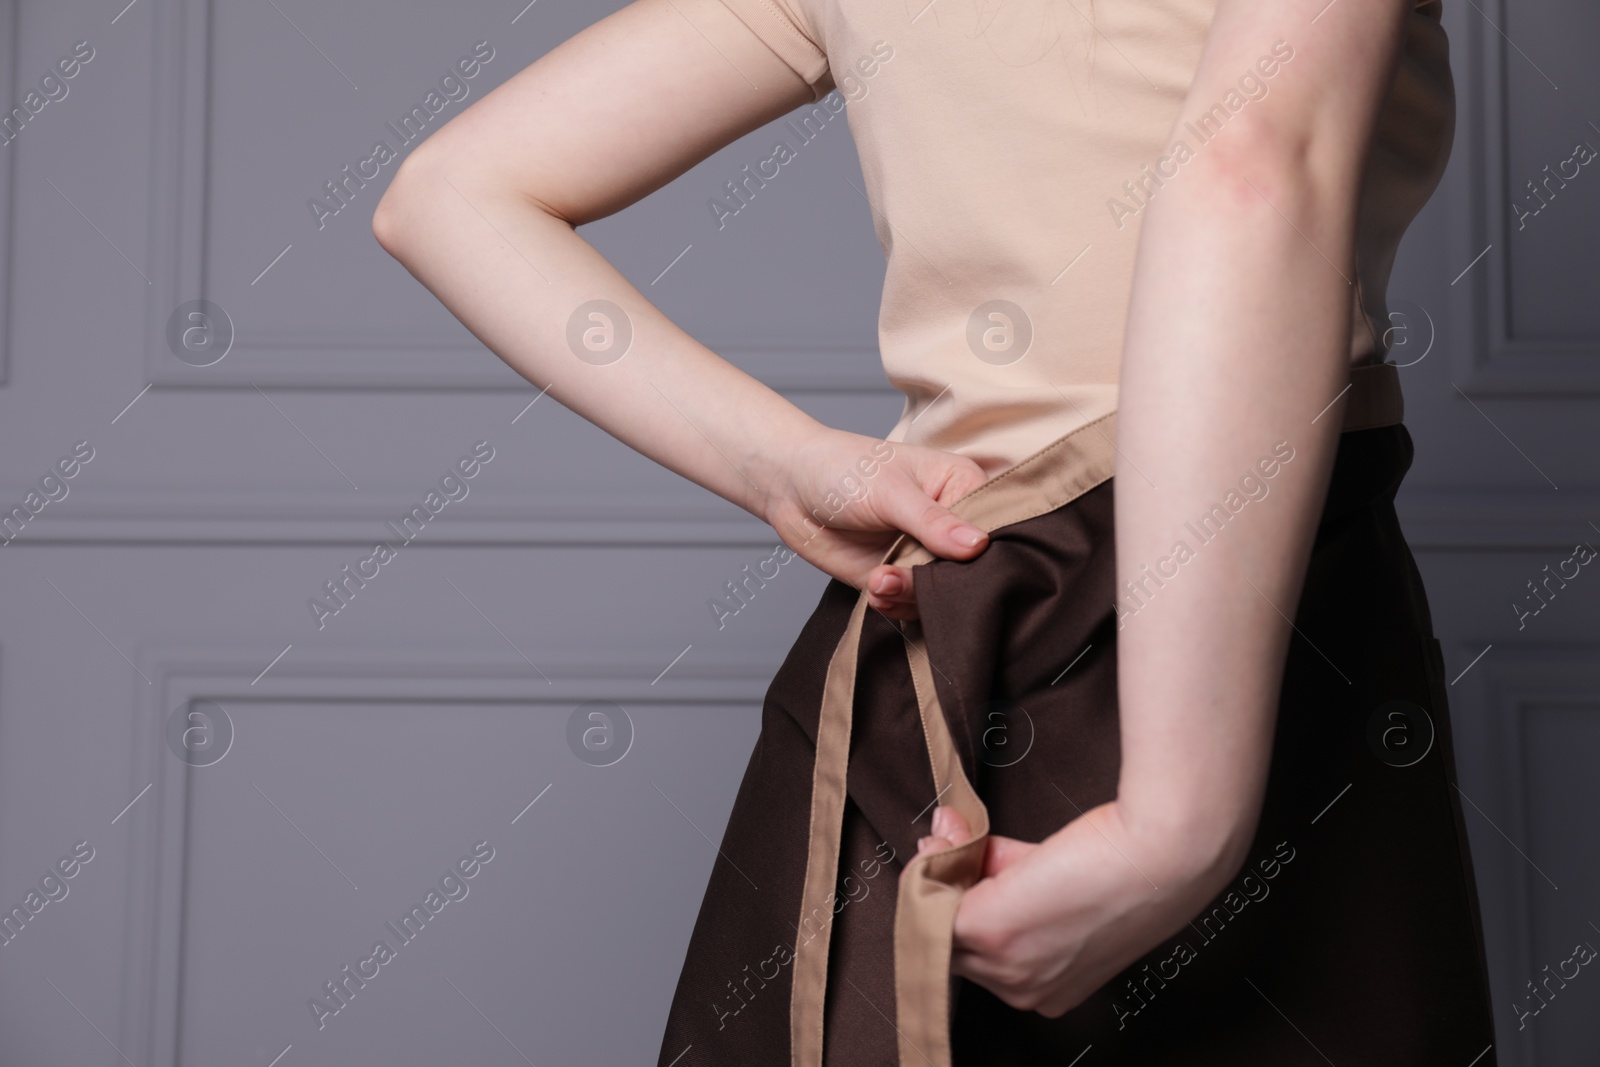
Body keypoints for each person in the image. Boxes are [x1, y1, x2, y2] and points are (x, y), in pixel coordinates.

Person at [372, 0, 1499, 1062]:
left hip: (936, 648)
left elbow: (446, 193)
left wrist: (784, 467)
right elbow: (1253, 166)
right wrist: (1178, 817)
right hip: (1245, 633)